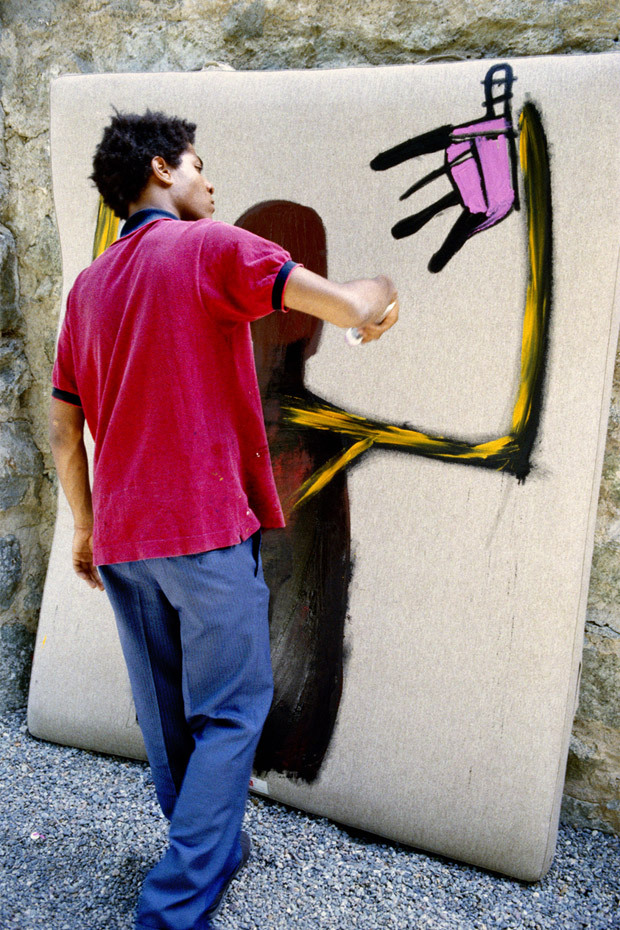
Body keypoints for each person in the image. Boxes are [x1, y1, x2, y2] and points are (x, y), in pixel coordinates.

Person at [48, 109, 398, 930]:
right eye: (201, 166)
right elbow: (348, 306)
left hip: (126, 538)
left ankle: (206, 847)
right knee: (235, 708)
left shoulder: (88, 288)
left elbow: (65, 428)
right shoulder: (212, 247)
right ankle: (171, 911)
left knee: (168, 715)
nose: (213, 183)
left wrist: (84, 526)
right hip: (203, 527)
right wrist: (382, 295)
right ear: (162, 170)